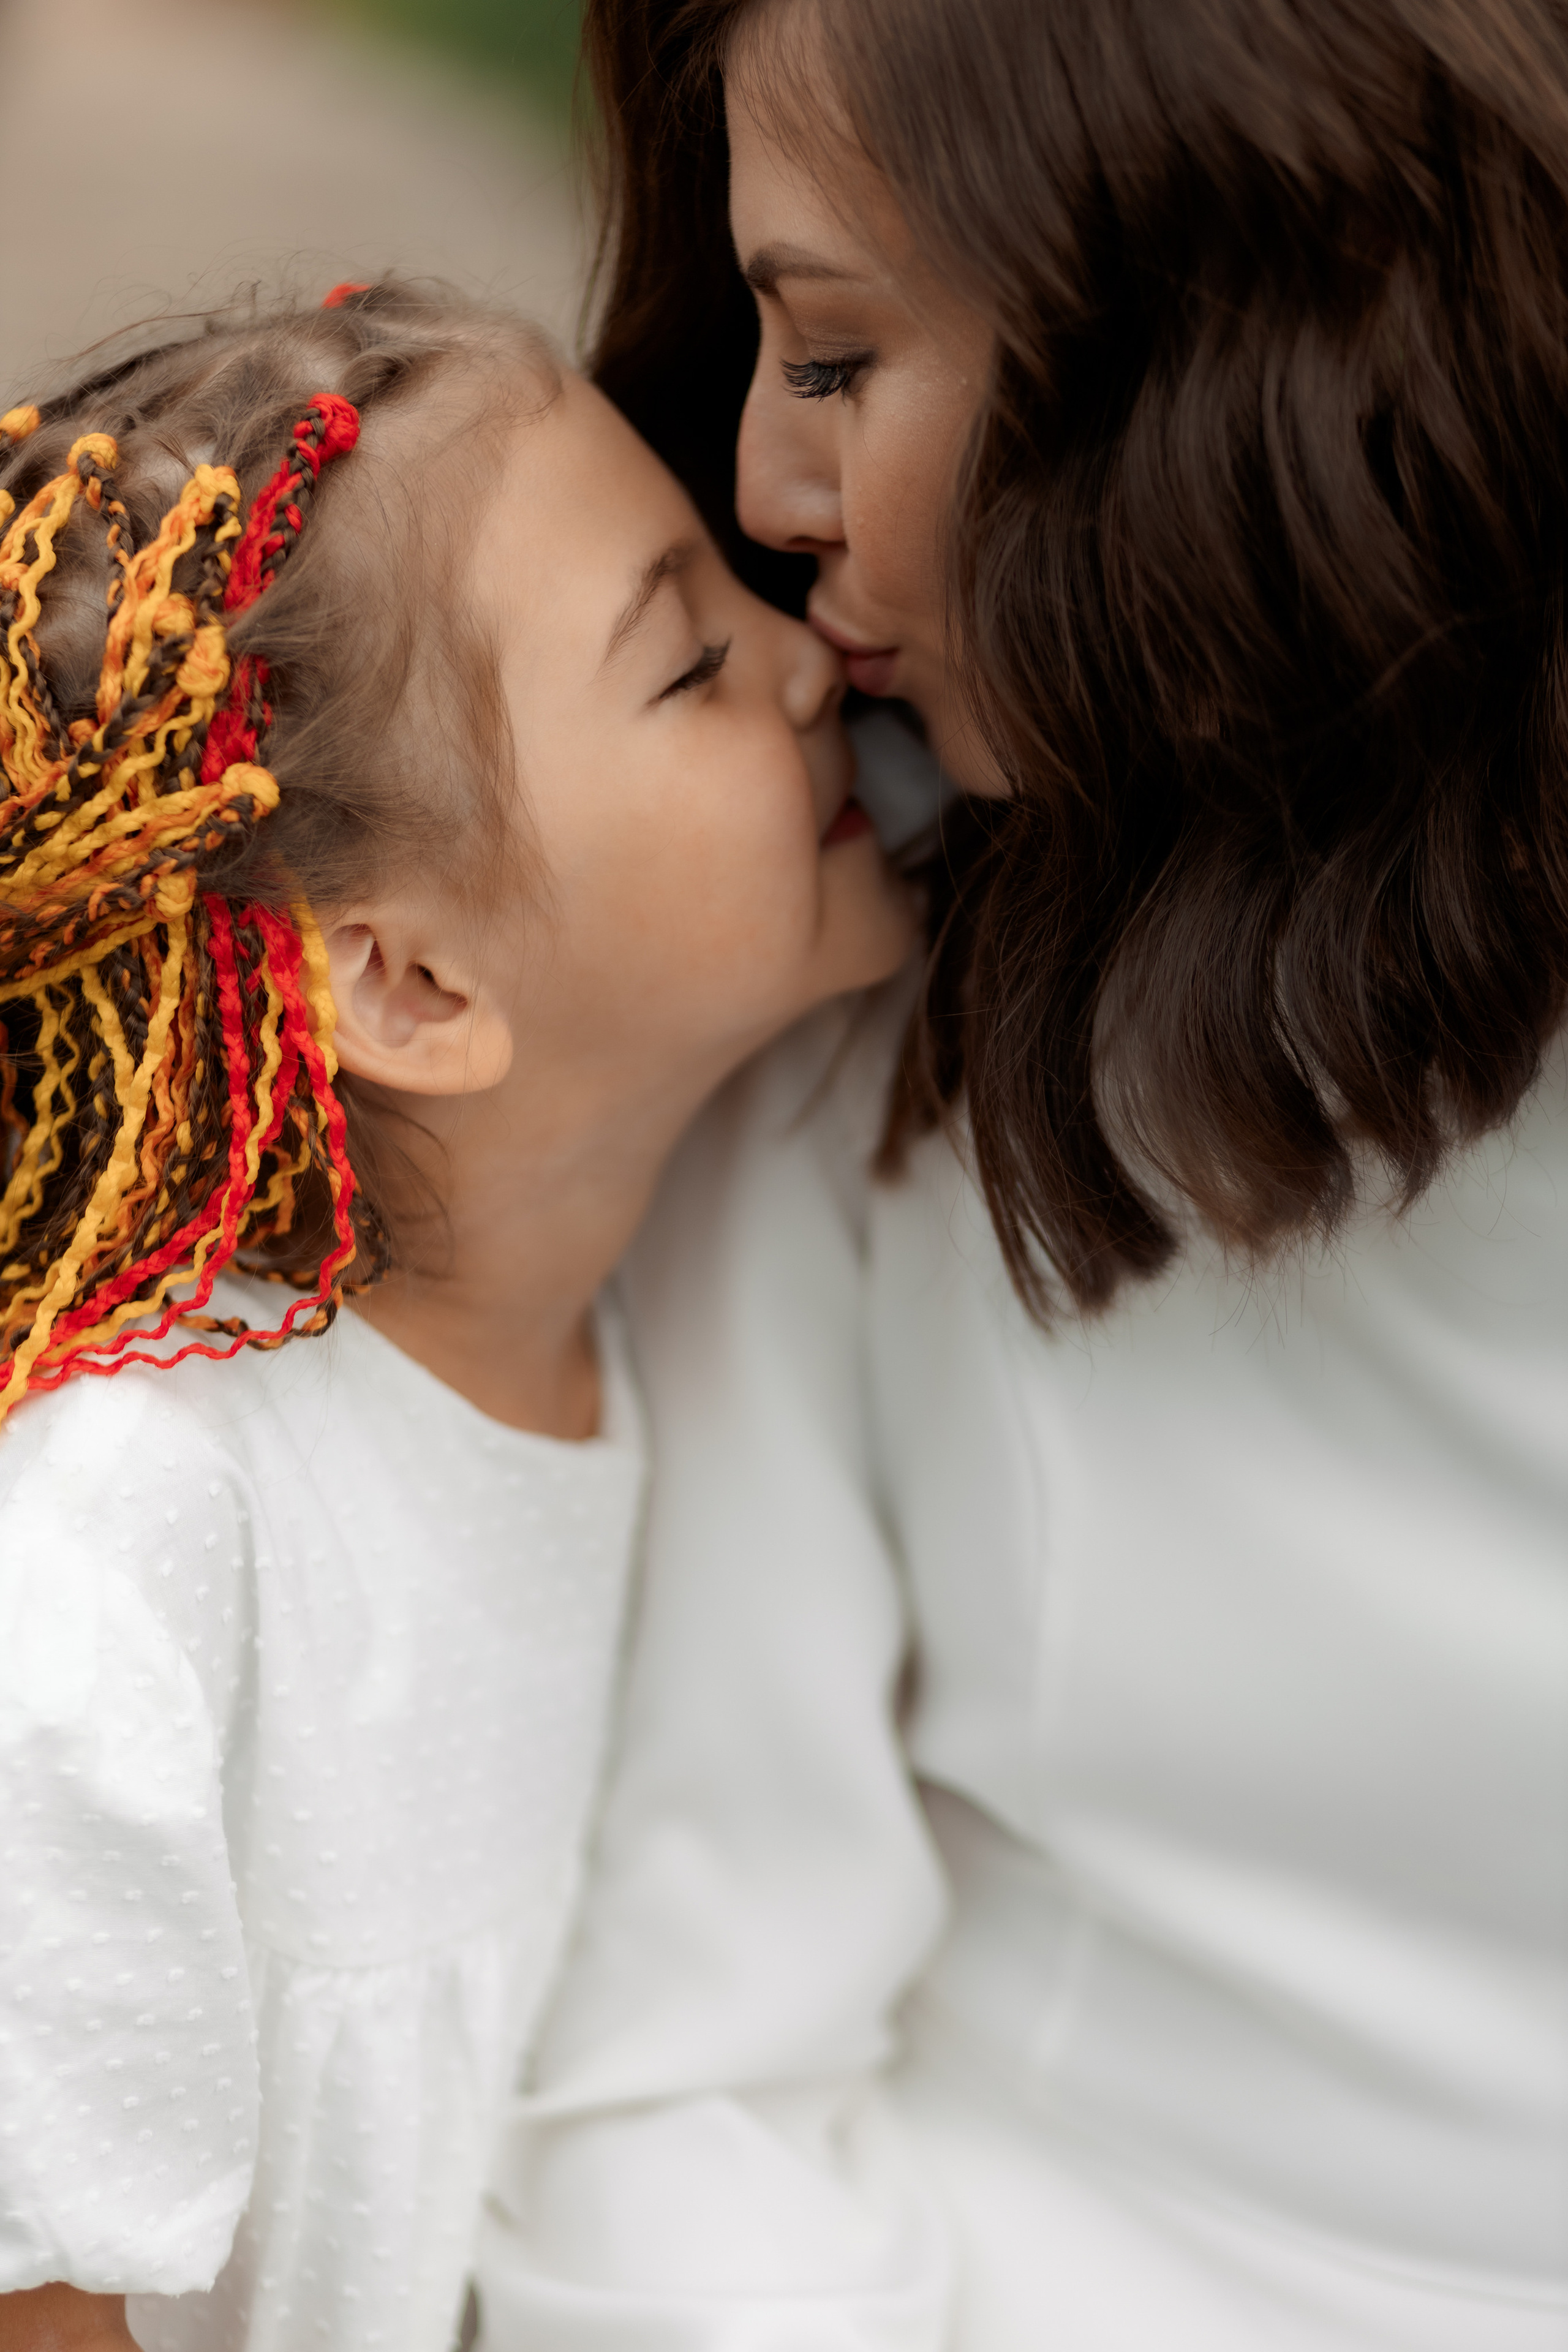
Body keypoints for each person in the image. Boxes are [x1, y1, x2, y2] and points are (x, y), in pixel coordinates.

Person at [470, 3, 1568, 2347]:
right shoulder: (846, 993)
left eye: (844, 357)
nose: (763, 487)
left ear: (1204, 346)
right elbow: (676, 2092)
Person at [0, 282, 914, 2352]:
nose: (803, 657)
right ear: (409, 985)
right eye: (684, 661)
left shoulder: (631, 1330)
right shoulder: (126, 1532)